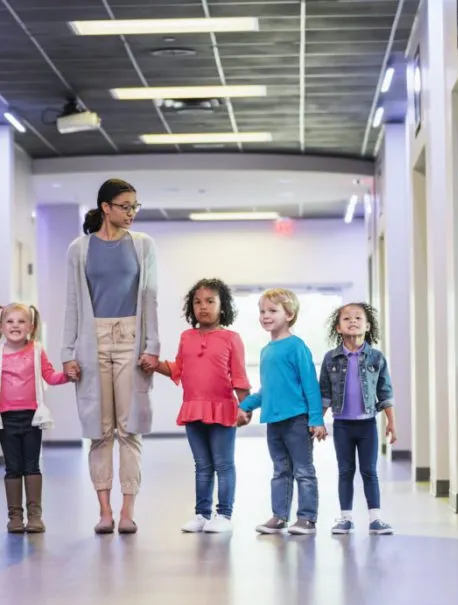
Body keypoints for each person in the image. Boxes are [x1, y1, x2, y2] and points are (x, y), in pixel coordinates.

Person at [62, 178, 160, 535]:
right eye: (125, 206)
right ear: (106, 207)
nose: (131, 212)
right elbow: (73, 302)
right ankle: (104, 511)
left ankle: (128, 510)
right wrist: (67, 353)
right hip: (93, 340)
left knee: (130, 429)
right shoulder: (80, 249)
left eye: (135, 206)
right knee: (99, 431)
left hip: (132, 339)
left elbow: (150, 298)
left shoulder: (143, 245)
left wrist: (152, 347)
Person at [153, 278, 250, 533]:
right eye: (197, 302)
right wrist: (154, 365)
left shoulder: (231, 338)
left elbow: (239, 376)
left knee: (223, 464)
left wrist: (245, 406)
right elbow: (178, 369)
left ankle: (225, 514)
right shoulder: (186, 337)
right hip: (193, 408)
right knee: (202, 465)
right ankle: (201, 514)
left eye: (210, 301)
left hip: (223, 409)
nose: (203, 307)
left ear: (222, 306)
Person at [237, 289, 327, 536]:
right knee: (280, 471)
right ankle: (279, 516)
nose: (265, 316)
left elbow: (310, 385)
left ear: (289, 314)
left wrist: (316, 419)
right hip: (274, 422)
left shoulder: (297, 347)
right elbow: (269, 390)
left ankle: (307, 518)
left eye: (272, 311)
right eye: (262, 311)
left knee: (303, 471)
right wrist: (244, 406)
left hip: (297, 420)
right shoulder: (266, 350)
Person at [0, 303, 72, 534]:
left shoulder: (36, 351)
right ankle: (15, 516)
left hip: (32, 417)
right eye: (10, 322)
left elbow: (49, 376)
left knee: (31, 465)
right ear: (0, 326)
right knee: (12, 467)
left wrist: (68, 376)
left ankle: (35, 515)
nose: (15, 326)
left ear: (31, 326)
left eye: (21, 321)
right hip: (5, 419)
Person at [320, 302, 396, 535]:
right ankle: (345, 518)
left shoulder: (376, 357)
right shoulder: (331, 358)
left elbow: (385, 392)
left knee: (369, 471)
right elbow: (324, 393)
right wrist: (317, 421)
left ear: (367, 325)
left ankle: (376, 518)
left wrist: (392, 421)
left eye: (358, 318)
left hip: (367, 425)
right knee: (345, 470)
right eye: (346, 318)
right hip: (342, 424)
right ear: (338, 327)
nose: (353, 321)